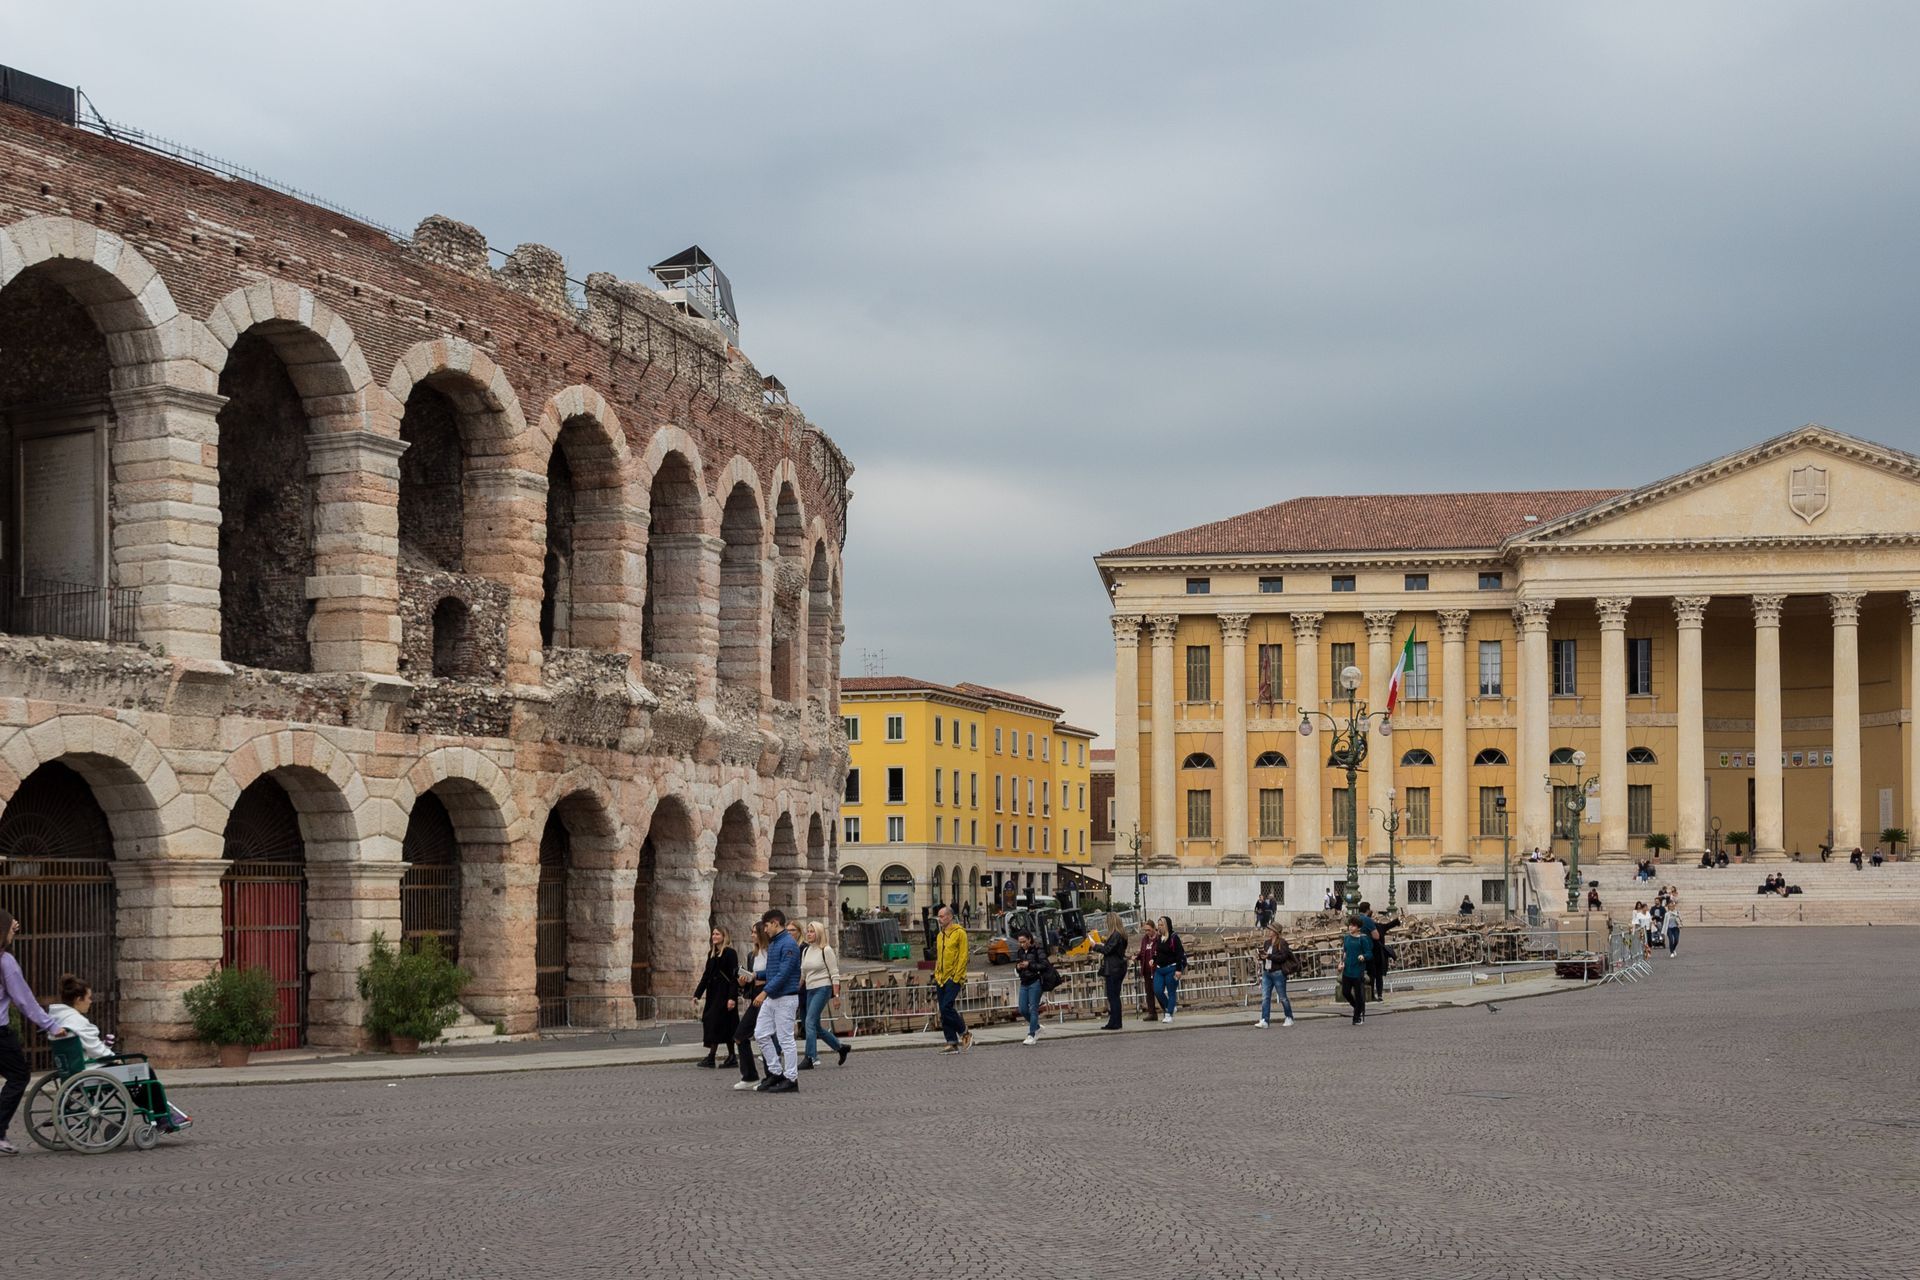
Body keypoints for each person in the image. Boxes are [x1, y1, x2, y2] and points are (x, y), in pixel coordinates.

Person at [45, 974, 189, 1133]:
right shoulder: (76, 1021)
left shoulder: (57, 1018)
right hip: (91, 1070)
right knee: (144, 1071)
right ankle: (161, 1115)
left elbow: (89, 1046)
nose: (91, 1002)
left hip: (74, 1069)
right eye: (89, 998)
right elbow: (96, 1050)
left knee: (132, 1074)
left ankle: (160, 1113)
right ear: (78, 999)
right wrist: (115, 1058)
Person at [1, 908, 64, 1156]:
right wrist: (50, 1025)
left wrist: (8, 927)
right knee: (18, 1076)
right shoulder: (5, 962)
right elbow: (24, 1000)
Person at [751, 908, 802, 1092]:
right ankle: (775, 1072)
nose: (764, 930)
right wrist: (755, 975)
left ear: (775, 923)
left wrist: (764, 992)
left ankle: (791, 1078)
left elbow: (784, 974)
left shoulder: (788, 944)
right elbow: (774, 972)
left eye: (766, 926)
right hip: (774, 996)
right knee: (761, 1033)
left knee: (785, 1039)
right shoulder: (774, 943)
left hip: (785, 998)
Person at [799, 920, 850, 1070]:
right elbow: (803, 974)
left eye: (812, 931)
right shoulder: (806, 951)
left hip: (823, 988)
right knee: (815, 1025)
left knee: (808, 1021)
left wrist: (836, 996)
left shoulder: (826, 950)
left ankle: (810, 1057)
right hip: (810, 989)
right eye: (808, 931)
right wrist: (794, 990)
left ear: (819, 933)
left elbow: (834, 974)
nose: (809, 934)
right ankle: (840, 1047)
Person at [694, 926, 740, 1069]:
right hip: (713, 993)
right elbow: (706, 975)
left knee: (718, 1023)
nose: (714, 936)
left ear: (724, 936)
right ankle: (730, 1056)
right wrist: (698, 993)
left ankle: (713, 1057)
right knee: (718, 1023)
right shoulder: (712, 954)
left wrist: (732, 997)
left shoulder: (730, 953)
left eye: (717, 934)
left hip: (725, 993)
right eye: (713, 934)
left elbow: (734, 976)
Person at [731, 922, 769, 1090]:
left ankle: (772, 1074)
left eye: (755, 932)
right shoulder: (752, 955)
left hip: (767, 996)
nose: (752, 935)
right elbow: (750, 982)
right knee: (740, 1035)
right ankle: (749, 1075)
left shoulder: (771, 952)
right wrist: (743, 981)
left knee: (766, 1037)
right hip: (755, 996)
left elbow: (776, 975)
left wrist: (758, 978)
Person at [933, 904, 972, 1053]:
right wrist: (936, 973)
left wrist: (956, 977)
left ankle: (964, 1032)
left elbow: (963, 956)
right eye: (938, 916)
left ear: (949, 917)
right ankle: (951, 1041)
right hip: (941, 977)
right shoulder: (940, 935)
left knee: (946, 1007)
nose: (939, 919)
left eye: (941, 916)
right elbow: (939, 956)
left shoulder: (960, 933)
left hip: (953, 977)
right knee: (943, 1011)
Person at [1255, 925, 1296, 1028]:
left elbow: (1283, 957)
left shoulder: (1282, 943)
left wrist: (1269, 956)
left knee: (1282, 997)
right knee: (1265, 997)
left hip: (1278, 973)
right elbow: (1266, 956)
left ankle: (1289, 1017)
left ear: (1276, 932)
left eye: (1271, 930)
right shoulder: (1267, 943)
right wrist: (1261, 956)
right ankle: (1265, 1020)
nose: (1268, 931)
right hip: (1267, 972)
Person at [1012, 929, 1049, 1044]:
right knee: (1022, 1009)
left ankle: (1031, 1035)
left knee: (1033, 1008)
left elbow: (1044, 965)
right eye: (1020, 942)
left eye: (1024, 941)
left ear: (1029, 939)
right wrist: (1018, 967)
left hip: (1035, 982)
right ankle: (1037, 1027)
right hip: (1024, 982)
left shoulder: (1038, 950)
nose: (1022, 944)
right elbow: (1017, 966)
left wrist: (1030, 965)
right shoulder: (1020, 952)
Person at [1095, 913, 1129, 1030]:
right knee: (1115, 995)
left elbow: (1107, 950)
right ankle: (1116, 1021)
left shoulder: (1115, 935)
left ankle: (1114, 1022)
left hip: (1114, 968)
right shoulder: (1121, 935)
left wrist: (1095, 946)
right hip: (1119, 967)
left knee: (1112, 996)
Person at [1152, 916, 1186, 1022]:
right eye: (1158, 925)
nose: (1159, 927)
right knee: (1157, 990)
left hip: (1171, 968)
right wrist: (1153, 959)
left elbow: (1179, 954)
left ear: (1166, 926)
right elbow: (1157, 952)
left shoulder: (1174, 937)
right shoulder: (1158, 938)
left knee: (1171, 991)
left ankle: (1168, 1014)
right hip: (1159, 969)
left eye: (1161, 925)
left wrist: (1178, 969)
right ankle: (1169, 1006)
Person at [1341, 916, 1372, 1025]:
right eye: (1350, 925)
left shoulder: (1362, 939)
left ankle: (1356, 1017)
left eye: (1353, 925)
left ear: (1358, 928)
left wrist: (1363, 956)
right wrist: (1341, 963)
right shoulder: (1346, 938)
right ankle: (1357, 1007)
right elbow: (1345, 952)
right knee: (1345, 992)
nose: (1351, 927)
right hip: (1347, 970)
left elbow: (1369, 953)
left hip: (1358, 970)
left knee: (1359, 995)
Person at [1357, 901, 1390, 1002]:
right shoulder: (1368, 920)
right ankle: (1371, 995)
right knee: (1372, 973)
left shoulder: (1355, 919)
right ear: (1368, 910)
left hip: (1356, 949)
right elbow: (1376, 936)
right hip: (1368, 950)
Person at [1136, 919, 1161, 1020]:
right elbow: (1142, 952)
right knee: (1149, 992)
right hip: (1146, 970)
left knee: (1158, 991)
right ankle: (1152, 1013)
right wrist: (1136, 957)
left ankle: (1167, 1010)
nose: (1147, 932)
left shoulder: (1159, 939)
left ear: (1153, 928)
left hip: (1156, 969)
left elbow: (1160, 952)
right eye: (1145, 930)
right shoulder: (1144, 939)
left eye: (1148, 930)